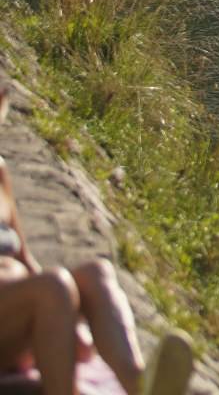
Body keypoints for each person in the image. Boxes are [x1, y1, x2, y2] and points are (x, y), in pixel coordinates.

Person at [0, 95, 193, 395]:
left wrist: (63, 317)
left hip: (15, 315)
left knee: (95, 273)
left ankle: (140, 385)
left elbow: (25, 260)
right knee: (54, 287)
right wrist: (51, 300)